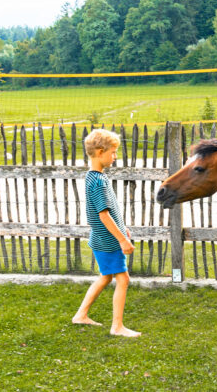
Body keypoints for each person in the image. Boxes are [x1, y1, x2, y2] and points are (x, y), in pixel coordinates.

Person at [72, 129, 141, 337]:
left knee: (105, 277)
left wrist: (123, 227)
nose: (115, 156)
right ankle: (117, 327)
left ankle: (81, 315)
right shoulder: (99, 182)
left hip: (101, 238)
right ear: (100, 152)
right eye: (113, 152)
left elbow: (109, 211)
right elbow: (103, 216)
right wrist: (122, 239)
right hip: (109, 241)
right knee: (123, 279)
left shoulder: (93, 177)